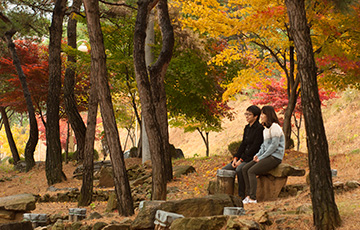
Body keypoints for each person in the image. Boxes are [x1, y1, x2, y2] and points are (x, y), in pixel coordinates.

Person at [242, 105, 285, 204]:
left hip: (275, 157)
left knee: (252, 171)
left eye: (262, 114)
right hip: (266, 156)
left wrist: (261, 157)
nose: (261, 116)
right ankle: (248, 196)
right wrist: (257, 155)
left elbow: (273, 146)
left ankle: (253, 198)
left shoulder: (275, 127)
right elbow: (264, 146)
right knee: (245, 168)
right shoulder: (265, 130)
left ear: (268, 115)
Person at [222, 105, 264, 200]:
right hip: (242, 157)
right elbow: (243, 144)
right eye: (246, 114)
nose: (247, 116)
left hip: (252, 157)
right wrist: (235, 158)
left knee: (240, 169)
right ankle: (226, 195)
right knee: (224, 171)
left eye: (249, 114)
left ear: (256, 116)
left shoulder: (260, 129)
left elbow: (255, 147)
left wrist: (241, 160)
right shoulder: (247, 128)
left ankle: (242, 195)